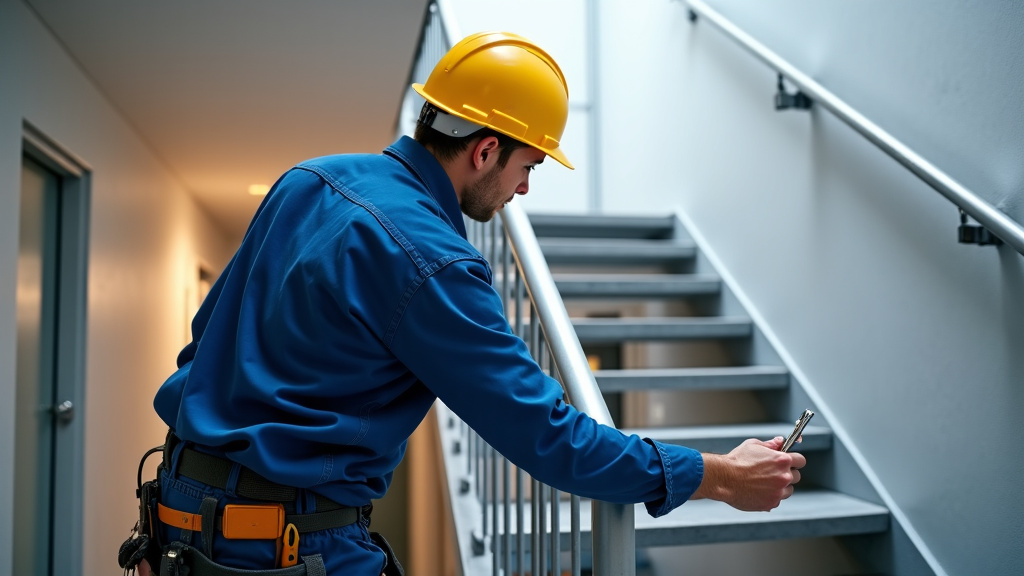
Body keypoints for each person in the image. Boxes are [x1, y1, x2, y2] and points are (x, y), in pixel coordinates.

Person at [132, 31, 806, 576]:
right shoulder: (435, 263)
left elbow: (204, 341)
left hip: (181, 522)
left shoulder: (311, 179)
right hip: (280, 548)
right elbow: (548, 436)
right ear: (486, 150)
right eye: (529, 167)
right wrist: (718, 475)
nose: (524, 189)